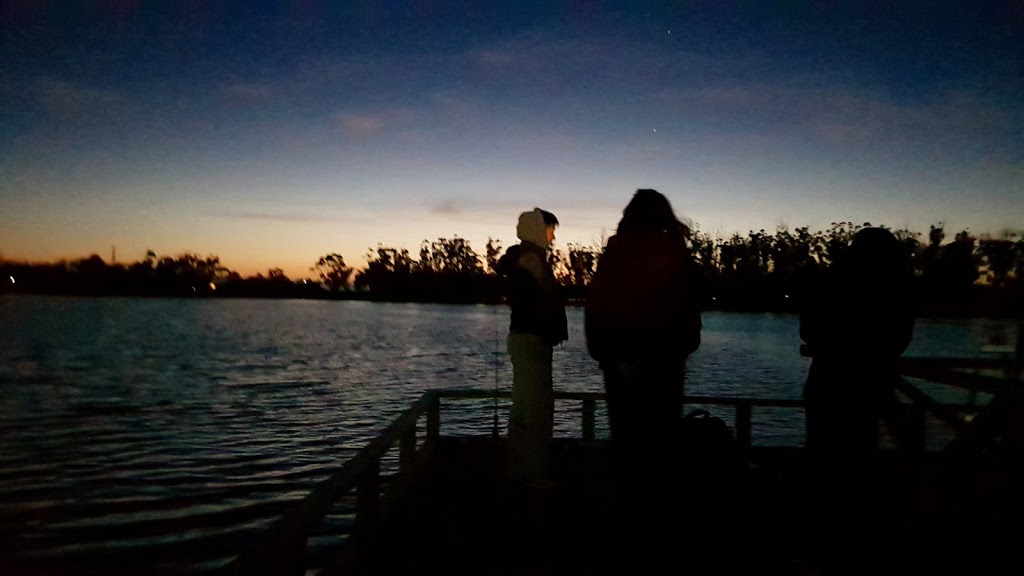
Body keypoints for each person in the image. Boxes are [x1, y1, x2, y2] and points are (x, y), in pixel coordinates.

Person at [584, 189, 702, 558]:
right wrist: (679, 349)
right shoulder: (679, 256)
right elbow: (690, 314)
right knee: (663, 443)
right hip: (665, 364)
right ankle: (662, 529)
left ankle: (630, 525)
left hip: (620, 364)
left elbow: (597, 309)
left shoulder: (615, 255)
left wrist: (605, 354)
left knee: (629, 444)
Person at [799, 226, 915, 572]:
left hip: (830, 388)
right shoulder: (895, 292)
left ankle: (821, 545)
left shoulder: (833, 285)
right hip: (867, 390)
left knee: (824, 469)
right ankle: (852, 543)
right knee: (855, 466)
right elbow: (896, 341)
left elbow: (809, 331)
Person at [495, 207, 568, 486]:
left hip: (526, 340)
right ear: (538, 230)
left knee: (524, 406)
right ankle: (535, 475)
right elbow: (535, 303)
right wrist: (549, 328)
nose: (552, 238)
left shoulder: (528, 258)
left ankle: (518, 468)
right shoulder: (531, 260)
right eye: (550, 231)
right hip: (532, 342)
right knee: (537, 409)